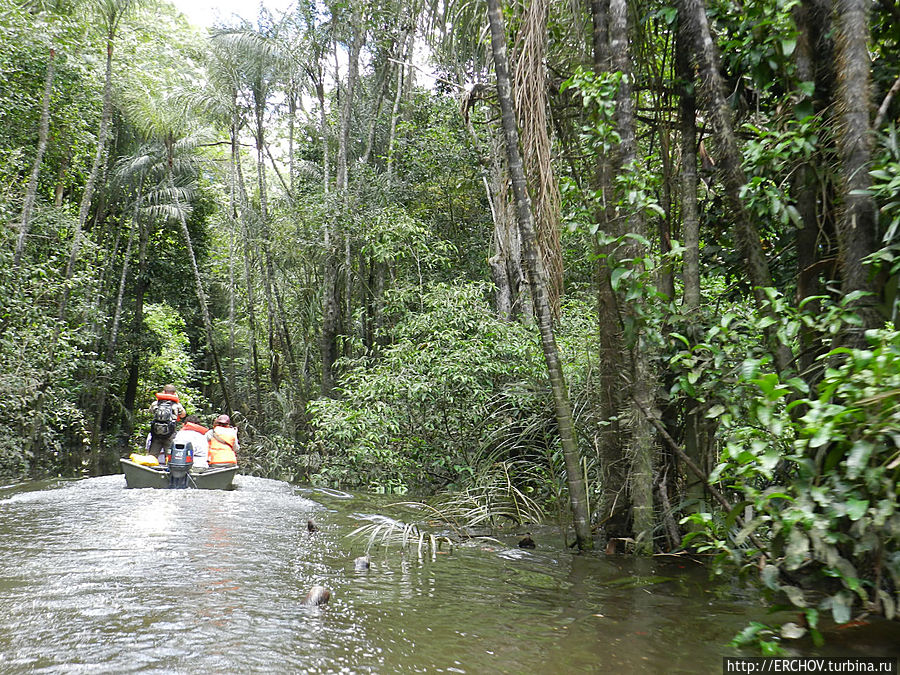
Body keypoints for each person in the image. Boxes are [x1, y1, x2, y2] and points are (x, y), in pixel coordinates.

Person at [148, 384, 186, 463]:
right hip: (170, 434)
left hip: (156, 433)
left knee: (152, 455)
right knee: (170, 456)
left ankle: (148, 469)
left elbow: (150, 412)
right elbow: (183, 415)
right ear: (174, 393)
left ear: (163, 392)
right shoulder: (176, 405)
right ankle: (169, 471)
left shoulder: (156, 403)